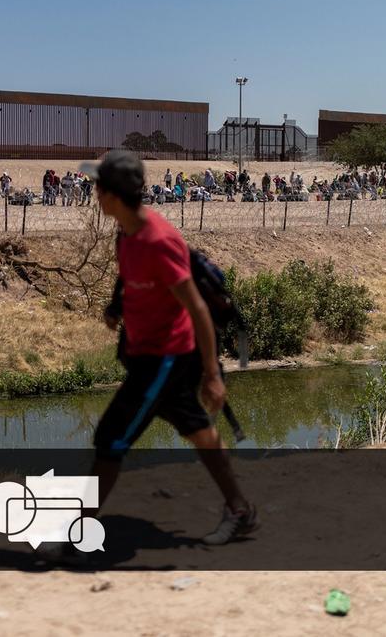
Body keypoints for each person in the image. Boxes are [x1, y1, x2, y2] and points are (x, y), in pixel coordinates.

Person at [79, 150, 257, 550]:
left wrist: (212, 375)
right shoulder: (125, 232)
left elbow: (197, 309)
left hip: (165, 359)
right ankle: (240, 509)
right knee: (199, 431)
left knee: (111, 438)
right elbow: (131, 279)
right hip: (149, 354)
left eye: (98, 187)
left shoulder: (158, 241)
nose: (94, 193)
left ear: (112, 195)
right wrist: (116, 307)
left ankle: (77, 536)